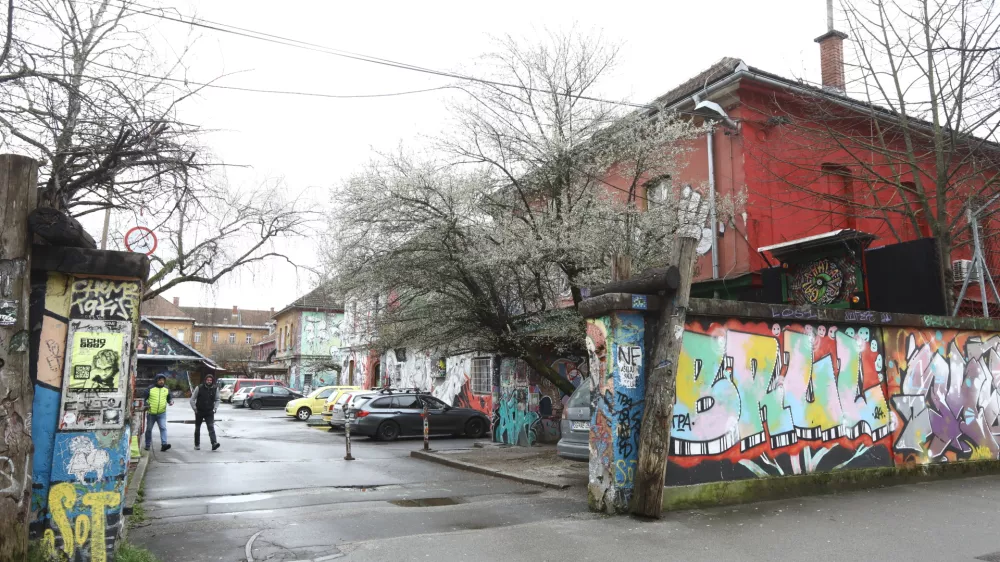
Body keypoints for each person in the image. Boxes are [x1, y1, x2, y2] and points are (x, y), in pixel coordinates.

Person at [190, 374, 221, 451]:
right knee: (197, 428)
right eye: (208, 380)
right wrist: (195, 409)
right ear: (205, 380)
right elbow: (192, 399)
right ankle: (197, 444)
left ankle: (214, 443)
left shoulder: (215, 388)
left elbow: (217, 400)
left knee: (211, 427)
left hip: (209, 412)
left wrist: (215, 409)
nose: (209, 381)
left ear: (212, 381)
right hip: (199, 412)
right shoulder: (199, 388)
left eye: (210, 380)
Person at [144, 374, 173, 452]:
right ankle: (147, 444)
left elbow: (169, 398)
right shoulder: (150, 388)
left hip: (161, 413)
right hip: (151, 413)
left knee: (163, 428)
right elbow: (144, 398)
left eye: (163, 380)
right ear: (156, 380)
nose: (161, 381)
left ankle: (164, 445)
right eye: (160, 380)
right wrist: (146, 405)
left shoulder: (166, 389)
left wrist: (170, 401)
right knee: (149, 429)